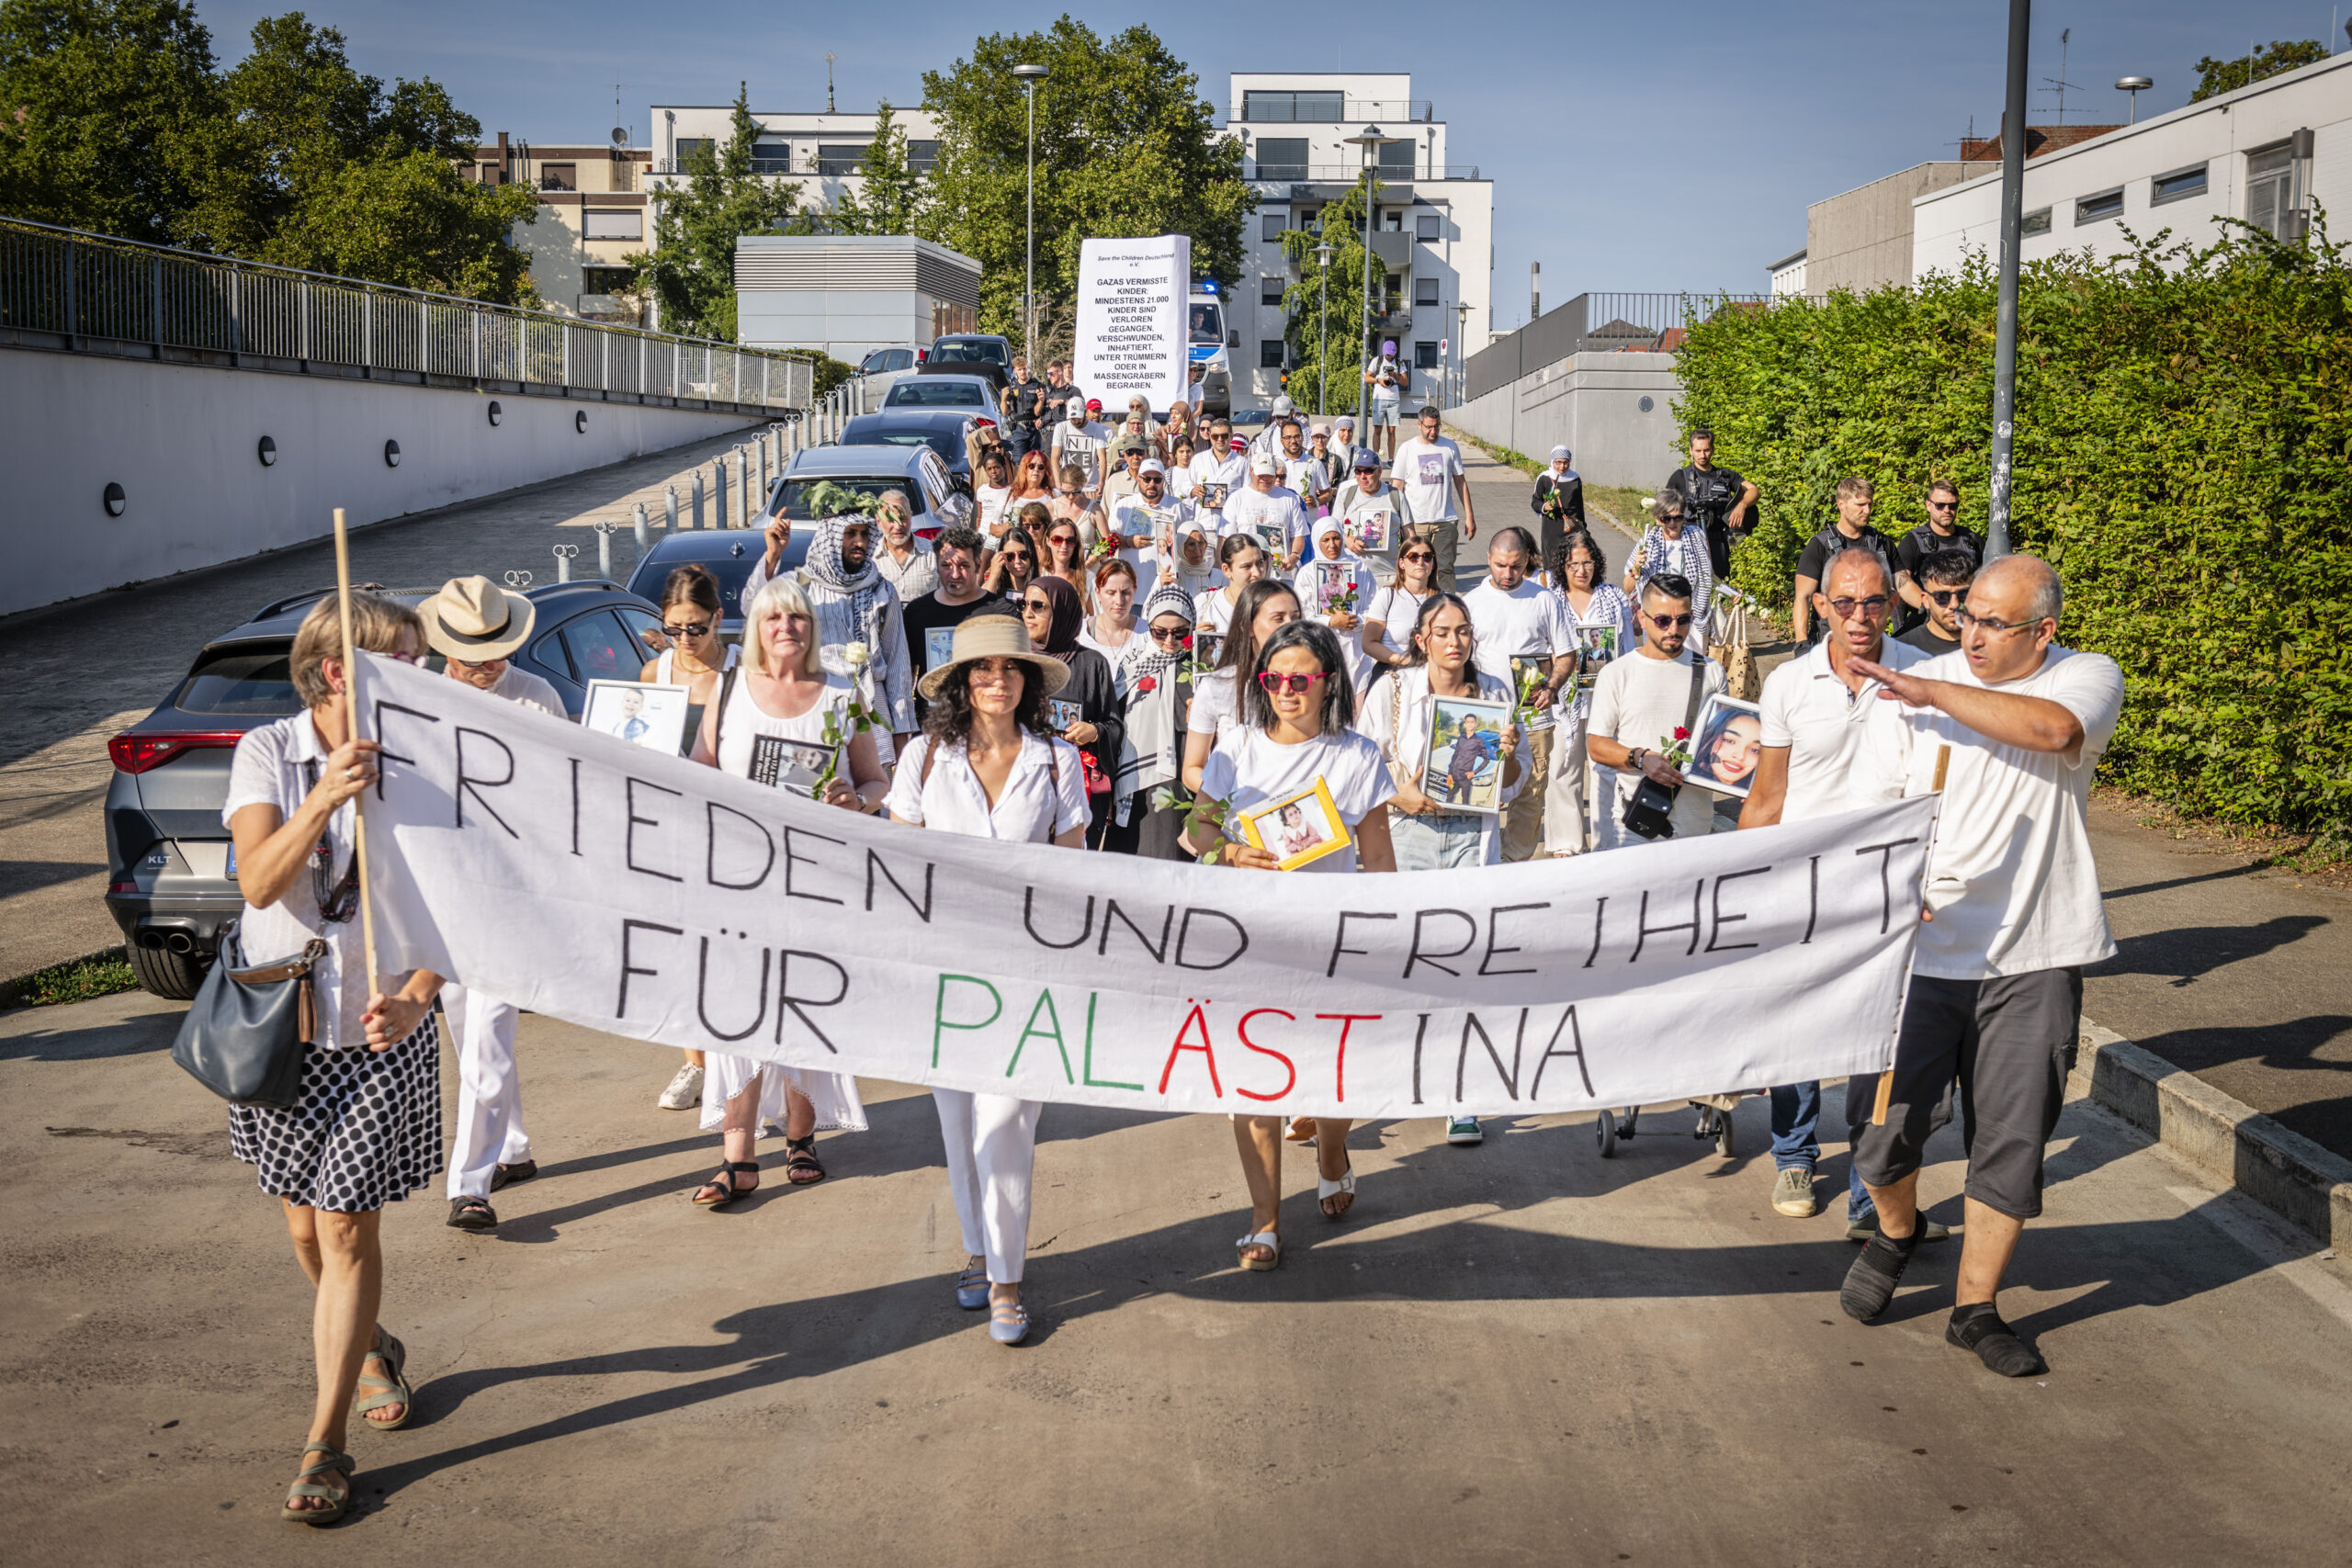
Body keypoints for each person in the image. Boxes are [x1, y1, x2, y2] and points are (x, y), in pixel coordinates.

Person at [1839, 556, 2125, 1380]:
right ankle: (1897, 1231)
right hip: (1922, 955)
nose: (1972, 635)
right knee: (1879, 1125)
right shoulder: (1909, 686)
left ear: (2045, 630)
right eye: (1966, 616)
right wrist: (1891, 888)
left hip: (2035, 951)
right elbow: (1871, 816)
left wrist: (1933, 692)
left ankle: (1975, 1308)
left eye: (1995, 624)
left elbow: (2052, 733)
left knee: (2012, 1137)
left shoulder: (2086, 677)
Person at [222, 591, 443, 1522]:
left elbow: (468, 906)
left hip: (380, 1028)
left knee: (347, 1228)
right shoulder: (268, 752)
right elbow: (259, 878)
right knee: (305, 1231)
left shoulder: (432, 762)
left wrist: (418, 995)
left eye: (420, 660)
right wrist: (325, 794)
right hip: (283, 1019)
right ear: (335, 671)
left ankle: (326, 1444)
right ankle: (370, 1345)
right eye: (399, 660)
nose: (419, 677)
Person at [887, 615, 1090, 1346]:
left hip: (1028, 971)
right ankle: (976, 1248)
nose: (996, 679)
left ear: (1027, 680)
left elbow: (1075, 872)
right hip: (945, 967)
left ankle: (1007, 1278)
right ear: (962, 683)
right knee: (959, 1120)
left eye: (1009, 667)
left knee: (1007, 1123)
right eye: (981, 669)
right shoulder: (922, 758)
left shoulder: (1058, 761)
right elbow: (900, 861)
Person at [1737, 547, 1944, 1239]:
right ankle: (1794, 1156)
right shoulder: (1789, 685)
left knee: (1878, 1039)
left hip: (1891, 890)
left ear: (1893, 604)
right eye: (1846, 603)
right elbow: (1768, 797)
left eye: (1875, 602)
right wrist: (1734, 888)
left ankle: (1869, 1187)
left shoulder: (1926, 678)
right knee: (1798, 1024)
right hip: (1805, 883)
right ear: (1821, 605)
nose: (1861, 617)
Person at [1184, 620, 1396, 1269]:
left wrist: (1385, 939)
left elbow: (1380, 861)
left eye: (1299, 679)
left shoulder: (1358, 756)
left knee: (1336, 1074)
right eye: (1272, 679)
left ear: (1327, 681)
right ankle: (1265, 1217)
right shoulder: (1237, 748)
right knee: (1252, 1079)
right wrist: (1230, 850)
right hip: (1248, 942)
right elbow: (1197, 830)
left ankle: (1332, 1152)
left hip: (1331, 941)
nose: (1285, 690)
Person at [686, 575, 880, 1206]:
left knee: (805, 1001)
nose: (786, 628)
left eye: (797, 618)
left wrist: (856, 799)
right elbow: (699, 769)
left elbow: (878, 781)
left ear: (811, 628)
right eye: (773, 618)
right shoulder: (728, 688)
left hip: (817, 877)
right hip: (739, 876)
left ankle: (801, 1137)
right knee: (735, 1009)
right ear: (756, 628)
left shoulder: (841, 696)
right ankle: (736, 1156)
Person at [416, 577, 566, 1231]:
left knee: (487, 1031)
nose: (490, 664)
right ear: (447, 650)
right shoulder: (418, 698)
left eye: (500, 650)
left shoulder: (537, 697)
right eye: (476, 654)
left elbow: (568, 790)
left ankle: (468, 1183)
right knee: (461, 1023)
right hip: (443, 889)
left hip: (513, 890)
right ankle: (513, 1145)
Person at [635, 564, 741, 1111]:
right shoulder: (656, 672)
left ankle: (740, 1069)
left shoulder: (745, 670)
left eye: (695, 628)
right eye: (674, 629)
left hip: (735, 831)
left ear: (718, 619)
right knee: (682, 951)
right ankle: (694, 1063)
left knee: (731, 952)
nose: (685, 640)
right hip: (674, 831)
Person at [744, 512, 916, 762]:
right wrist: (772, 556)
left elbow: (898, 666)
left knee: (875, 790)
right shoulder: (801, 584)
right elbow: (752, 610)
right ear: (831, 537)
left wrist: (901, 740)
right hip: (816, 704)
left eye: (864, 534)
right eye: (850, 534)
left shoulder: (881, 588)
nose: (859, 542)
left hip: (873, 710)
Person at [1586, 574, 1727, 848]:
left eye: (1683, 620)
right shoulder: (1617, 673)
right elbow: (1597, 745)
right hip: (1636, 827)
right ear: (1642, 618)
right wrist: (1640, 758)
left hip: (1696, 825)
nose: (1674, 629)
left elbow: (1724, 740)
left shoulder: (1711, 671)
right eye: (1663, 620)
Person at [1463, 527, 1577, 863]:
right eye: (1500, 565)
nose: (1508, 573)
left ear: (1527, 559)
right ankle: (1481, 859)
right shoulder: (1470, 603)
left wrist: (1552, 687)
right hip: (1485, 716)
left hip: (1534, 716)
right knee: (1479, 790)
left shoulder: (1544, 599)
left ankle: (1515, 864)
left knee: (1530, 794)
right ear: (1488, 559)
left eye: (1515, 566)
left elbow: (1567, 653)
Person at [1543, 529, 1636, 856]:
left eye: (1587, 562)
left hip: (1605, 696)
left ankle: (1606, 839)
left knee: (1604, 767)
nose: (1582, 570)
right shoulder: (1549, 598)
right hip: (1565, 696)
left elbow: (1626, 646)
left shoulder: (1613, 596)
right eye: (1573, 564)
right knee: (1564, 766)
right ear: (1562, 567)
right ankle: (1567, 842)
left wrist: (1629, 686)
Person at [1022, 575, 1125, 851]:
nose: (1028, 613)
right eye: (1024, 604)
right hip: (1023, 780)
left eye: (1038, 606)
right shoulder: (1015, 660)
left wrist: (1094, 731)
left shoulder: (1091, 663)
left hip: (1075, 785)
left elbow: (1114, 725)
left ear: (1063, 610)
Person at [1181, 577, 1302, 790]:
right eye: (1278, 618)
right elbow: (1192, 769)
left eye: (1296, 617)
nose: (1290, 626)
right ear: (1248, 627)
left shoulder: (1313, 683)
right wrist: (1232, 799)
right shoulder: (1217, 686)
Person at [1112, 580, 1200, 860]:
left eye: (1181, 633)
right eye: (1160, 633)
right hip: (1139, 782)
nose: (1171, 641)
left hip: (1185, 780)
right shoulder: (1133, 666)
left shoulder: (1203, 666)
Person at [902, 526, 1012, 714]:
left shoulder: (1002, 613)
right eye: (947, 565)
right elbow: (905, 675)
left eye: (963, 565)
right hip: (933, 725)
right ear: (937, 565)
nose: (954, 574)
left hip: (987, 722)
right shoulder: (917, 612)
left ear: (978, 566)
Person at [1792, 477, 1900, 646]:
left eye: (1870, 504)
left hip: (1872, 639)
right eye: (1861, 505)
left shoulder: (1882, 544)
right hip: (1828, 642)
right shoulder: (1819, 545)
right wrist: (1801, 643)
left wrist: (1930, 605)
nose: (1867, 510)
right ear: (1841, 504)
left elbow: (1904, 586)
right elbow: (1802, 597)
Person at [1392, 405, 1474, 592]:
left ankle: (1446, 606)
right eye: (1428, 427)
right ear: (1419, 424)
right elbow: (1397, 487)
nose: (1433, 431)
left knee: (1443, 568)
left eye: (1436, 426)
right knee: (1417, 569)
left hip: (1445, 520)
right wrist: (1397, 520)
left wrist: (1469, 516)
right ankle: (1417, 607)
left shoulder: (1450, 447)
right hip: (1415, 521)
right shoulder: (1407, 449)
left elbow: (1460, 482)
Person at [1662, 426, 1758, 580]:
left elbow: (1754, 491)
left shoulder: (1725, 476)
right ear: (1690, 450)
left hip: (1717, 544)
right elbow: (1662, 509)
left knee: (1719, 589)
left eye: (1706, 450)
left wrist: (1742, 505)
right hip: (1687, 541)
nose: (1702, 455)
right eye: (1698, 451)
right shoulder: (1680, 477)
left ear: (1712, 450)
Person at [1294, 515, 1374, 695]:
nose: (1332, 545)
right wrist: (1331, 622)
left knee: (1357, 706)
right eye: (1326, 540)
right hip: (1321, 647)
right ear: (1317, 541)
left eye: (1336, 538)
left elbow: (1373, 608)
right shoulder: (1307, 574)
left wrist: (1351, 620)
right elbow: (1302, 615)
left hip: (1357, 651)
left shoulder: (1360, 569)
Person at [1896, 480, 1983, 629]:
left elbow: (1987, 581)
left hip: (1966, 619)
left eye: (1952, 506)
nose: (1947, 510)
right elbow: (1901, 582)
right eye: (1940, 505)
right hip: (1926, 621)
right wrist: (1931, 607)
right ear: (1928, 505)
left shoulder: (1973, 540)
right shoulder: (1913, 541)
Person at [1624, 491, 1715, 628]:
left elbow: (1709, 576)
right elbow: (1628, 587)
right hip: (1657, 620)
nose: (1672, 523)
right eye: (1666, 519)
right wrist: (1637, 568)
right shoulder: (1648, 542)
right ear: (1657, 518)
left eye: (1678, 518)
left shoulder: (1696, 537)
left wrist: (1730, 594)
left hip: (1692, 619)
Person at [1108, 457, 1186, 603]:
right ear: (1138, 478)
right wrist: (1128, 541)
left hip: (1164, 591)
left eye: (1157, 480)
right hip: (1131, 591)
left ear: (1163, 481)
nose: (1152, 484)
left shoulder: (1176, 506)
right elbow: (1109, 540)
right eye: (1147, 479)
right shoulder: (1124, 504)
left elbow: (1186, 542)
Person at [1362, 533, 1439, 676]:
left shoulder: (1444, 600)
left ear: (1433, 564)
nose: (1420, 562)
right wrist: (1404, 660)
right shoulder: (1387, 596)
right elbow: (1368, 643)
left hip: (1431, 674)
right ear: (1401, 563)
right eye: (1413, 557)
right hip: (1392, 672)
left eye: (1427, 557)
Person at [1221, 450, 1308, 572]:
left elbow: (1299, 535)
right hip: (1247, 572)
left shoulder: (1289, 498)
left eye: (1270, 475)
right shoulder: (1236, 498)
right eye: (1261, 475)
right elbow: (1225, 539)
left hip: (1280, 572)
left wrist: (1294, 556)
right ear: (1251, 471)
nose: (1266, 479)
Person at [1337, 452, 1408, 585]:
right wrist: (1347, 539)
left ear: (1379, 471)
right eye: (1358, 471)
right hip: (1354, 574)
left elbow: (1410, 535)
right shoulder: (1346, 496)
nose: (1362, 476)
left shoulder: (1395, 496)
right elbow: (1333, 531)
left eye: (1368, 471)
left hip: (1389, 576)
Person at [1900, 548, 1974, 656]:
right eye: (1942, 597)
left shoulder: (1992, 645)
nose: (1954, 604)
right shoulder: (1903, 651)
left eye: (1963, 595)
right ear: (1925, 600)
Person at [1531, 446, 1587, 585]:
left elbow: (1579, 505)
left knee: (1571, 558)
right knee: (1552, 559)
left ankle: (1570, 588)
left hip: (1572, 526)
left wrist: (1583, 528)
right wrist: (1544, 507)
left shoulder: (1575, 479)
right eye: (1558, 462)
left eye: (1566, 462)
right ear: (1552, 461)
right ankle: (1552, 588)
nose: (1562, 466)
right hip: (1552, 528)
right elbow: (1535, 501)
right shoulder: (1545, 478)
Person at [871, 489, 938, 602]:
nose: (898, 526)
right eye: (891, 520)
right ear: (879, 521)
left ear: (910, 516)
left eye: (902, 519)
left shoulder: (933, 552)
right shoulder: (870, 558)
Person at [1079, 556, 1138, 667]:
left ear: (1134, 590)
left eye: (1125, 592)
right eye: (1111, 593)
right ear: (1098, 593)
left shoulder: (1148, 635)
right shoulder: (1082, 635)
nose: (1119, 601)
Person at [1053, 396, 1110, 499]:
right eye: (1072, 418)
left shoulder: (1097, 429)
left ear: (1085, 413)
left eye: (1078, 417)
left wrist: (1101, 482)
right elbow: (1054, 457)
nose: (1075, 421)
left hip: (1090, 486)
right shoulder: (1061, 427)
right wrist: (1058, 483)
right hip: (1068, 485)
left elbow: (1102, 458)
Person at [1363, 341, 1408, 460]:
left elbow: (1405, 382)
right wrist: (1379, 380)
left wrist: (1395, 376)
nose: (1389, 357)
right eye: (1387, 354)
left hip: (1394, 400)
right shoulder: (1377, 361)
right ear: (1383, 352)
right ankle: (1376, 457)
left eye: (1391, 354)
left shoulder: (1399, 362)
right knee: (1377, 429)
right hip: (1379, 399)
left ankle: (1391, 459)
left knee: (1391, 430)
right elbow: (1367, 378)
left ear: (1395, 352)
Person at [982, 518, 1043, 599]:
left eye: (1023, 555)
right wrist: (993, 576)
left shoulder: (1041, 586)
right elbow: (982, 606)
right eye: (1010, 556)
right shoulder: (993, 582)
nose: (1017, 561)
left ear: (1031, 554)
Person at [1041, 515, 1092, 607]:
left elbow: (1095, 618)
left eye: (1070, 541)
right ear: (1047, 541)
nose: (1064, 546)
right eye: (1057, 540)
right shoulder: (1039, 574)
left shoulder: (1088, 578)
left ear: (1076, 543)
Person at [972, 446, 1016, 547]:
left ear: (1004, 468)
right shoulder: (982, 490)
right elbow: (979, 517)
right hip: (984, 537)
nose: (993, 471)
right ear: (985, 471)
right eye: (989, 469)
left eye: (996, 467)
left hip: (1003, 537)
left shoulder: (1012, 490)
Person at [1006, 354, 1047, 458]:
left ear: (1027, 367)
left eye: (1024, 369)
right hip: (1018, 429)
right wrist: (1003, 398)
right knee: (1020, 462)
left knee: (1036, 460)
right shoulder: (1011, 387)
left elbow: (1038, 412)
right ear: (1014, 370)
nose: (1023, 372)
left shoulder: (1037, 386)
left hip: (1034, 428)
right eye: (1019, 370)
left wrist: (1041, 401)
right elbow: (1005, 411)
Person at [1326, 412, 1363, 477]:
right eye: (1343, 430)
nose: (1347, 434)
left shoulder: (1358, 452)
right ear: (1337, 432)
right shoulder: (1328, 451)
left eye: (1349, 431)